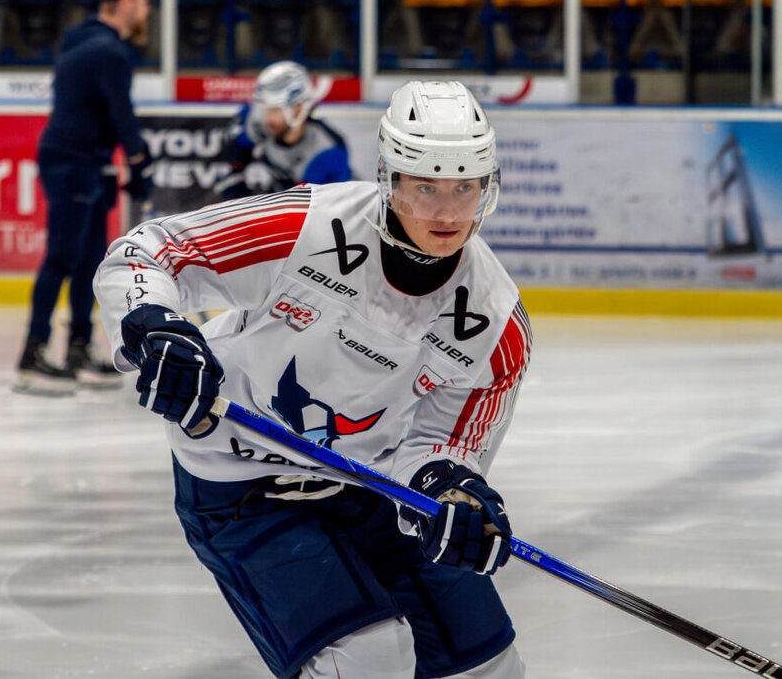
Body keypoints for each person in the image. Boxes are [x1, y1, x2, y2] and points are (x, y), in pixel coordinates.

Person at [94, 80, 532, 678]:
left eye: (464, 187)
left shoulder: (496, 322)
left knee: (489, 667)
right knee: (370, 659)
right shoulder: (311, 225)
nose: (447, 211)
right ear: (390, 178)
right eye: (425, 185)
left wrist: (453, 492)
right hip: (245, 482)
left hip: (370, 485)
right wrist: (155, 326)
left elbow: (444, 445)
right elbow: (150, 252)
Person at [14, 0, 157, 395]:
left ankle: (78, 347)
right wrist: (139, 160)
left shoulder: (81, 40)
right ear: (126, 0)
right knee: (62, 256)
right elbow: (121, 112)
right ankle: (32, 355)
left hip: (89, 162)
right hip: (72, 162)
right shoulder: (109, 51)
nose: (148, 10)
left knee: (89, 260)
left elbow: (103, 111)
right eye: (145, 2)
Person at [215, 60, 353, 199]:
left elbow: (318, 213)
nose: (267, 118)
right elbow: (228, 170)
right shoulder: (255, 119)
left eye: (275, 109)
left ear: (298, 109)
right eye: (265, 108)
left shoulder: (326, 152)